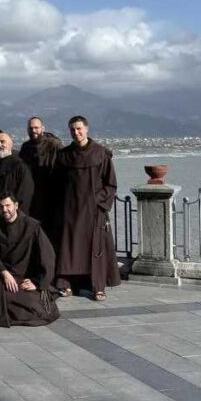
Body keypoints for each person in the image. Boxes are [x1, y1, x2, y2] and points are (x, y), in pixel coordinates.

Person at [52, 116, 120, 301]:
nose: (76, 132)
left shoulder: (101, 153)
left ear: (87, 129)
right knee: (69, 248)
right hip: (70, 210)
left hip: (93, 211)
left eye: (79, 128)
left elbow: (110, 184)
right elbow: (56, 184)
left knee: (95, 249)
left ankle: (98, 287)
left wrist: (98, 202)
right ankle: (66, 284)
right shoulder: (64, 155)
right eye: (72, 129)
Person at [0, 195, 60, 327]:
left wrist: (38, 283)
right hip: (1, 275)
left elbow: (47, 256)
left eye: (7, 205)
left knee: (34, 307)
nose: (4, 209)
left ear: (16, 205)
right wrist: (4, 272)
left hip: (24, 277)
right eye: (1, 206)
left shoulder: (31, 225)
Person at [19, 116, 63, 223]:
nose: (33, 131)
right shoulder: (25, 147)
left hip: (51, 192)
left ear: (43, 128)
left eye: (36, 128)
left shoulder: (54, 145)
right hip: (33, 193)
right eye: (31, 128)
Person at [0, 132, 34, 224]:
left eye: (2, 142)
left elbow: (25, 194)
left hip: (14, 217)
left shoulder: (20, 166)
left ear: (11, 144)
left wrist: (17, 216)